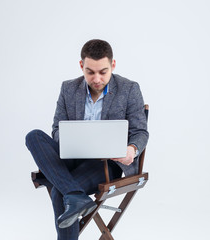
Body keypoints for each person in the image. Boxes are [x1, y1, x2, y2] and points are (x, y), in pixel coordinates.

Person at [25, 39, 149, 240]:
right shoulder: (68, 89)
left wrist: (132, 149)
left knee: (60, 191)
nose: (97, 78)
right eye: (91, 72)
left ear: (113, 65)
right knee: (34, 137)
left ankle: (72, 194)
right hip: (72, 158)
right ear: (82, 66)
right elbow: (57, 129)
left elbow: (140, 132)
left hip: (107, 165)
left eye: (103, 72)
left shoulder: (129, 89)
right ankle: (75, 195)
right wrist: (69, 143)